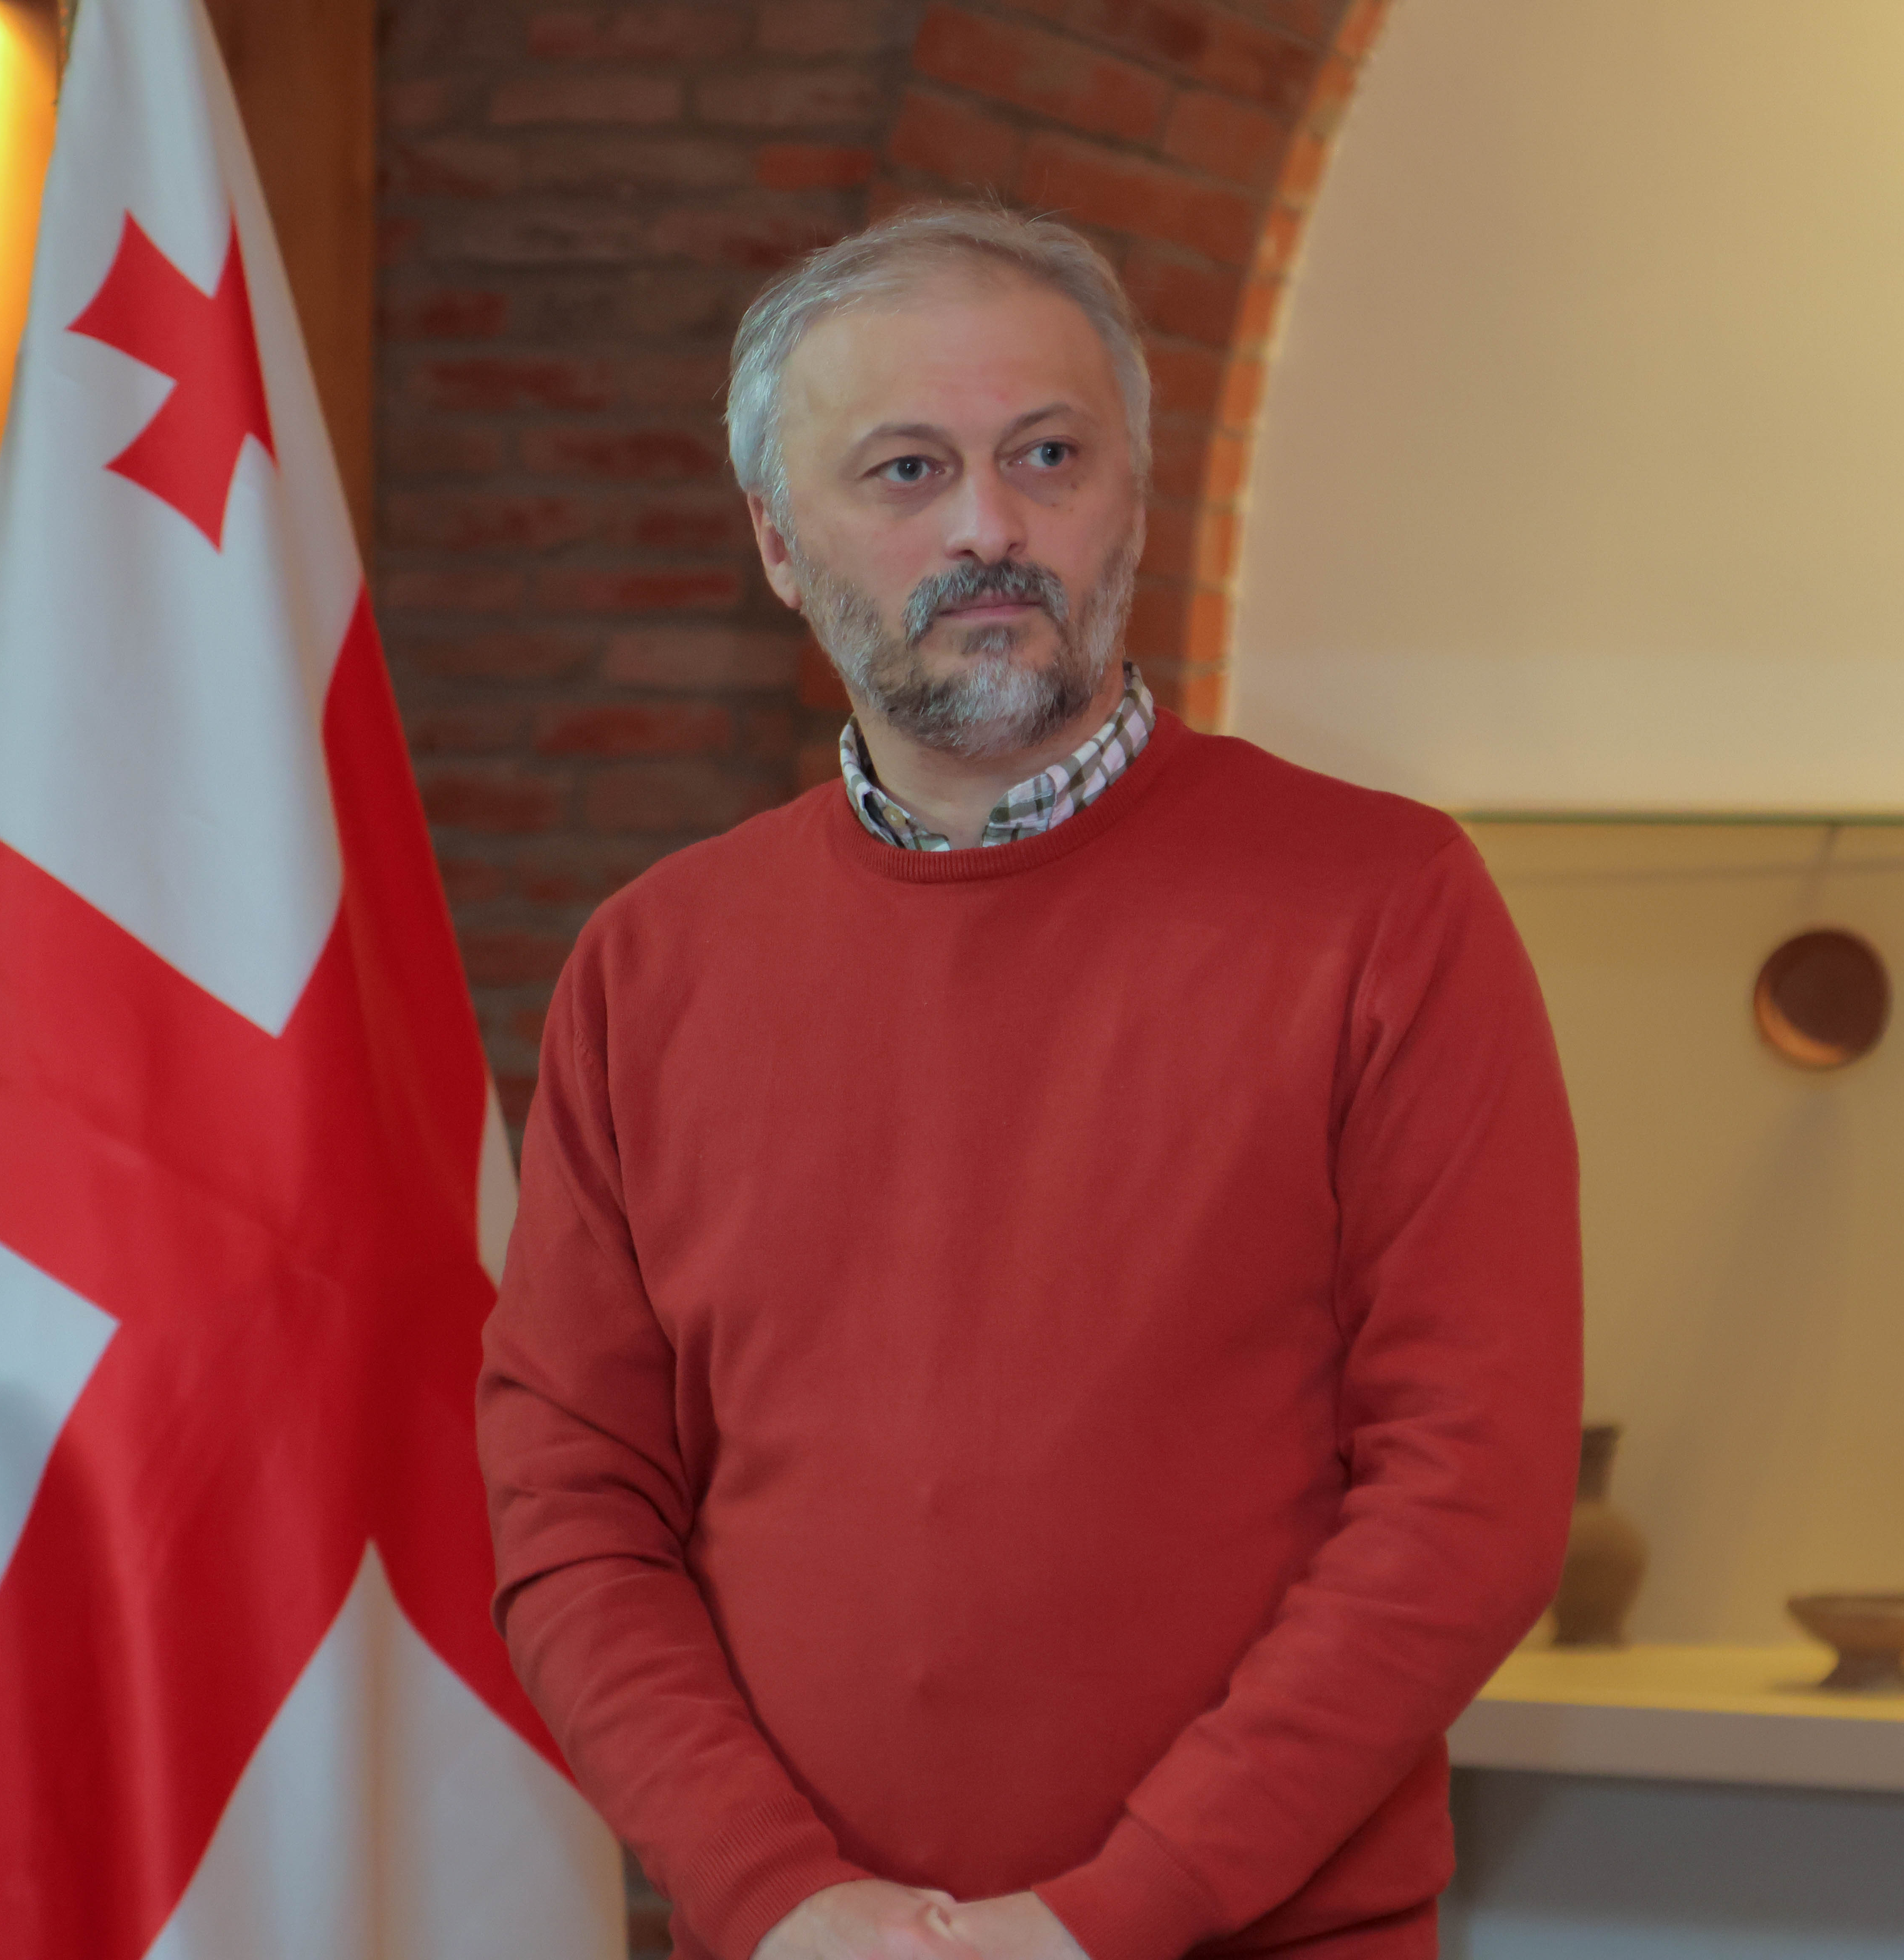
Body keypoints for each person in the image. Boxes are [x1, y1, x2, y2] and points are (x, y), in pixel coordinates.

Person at [475, 202, 1583, 1960]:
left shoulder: (1389, 910)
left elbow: (1473, 1498)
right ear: (777, 540)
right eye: (907, 470)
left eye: (1047, 456)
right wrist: (779, 1897)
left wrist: (1107, 1916)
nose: (988, 525)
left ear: (1132, 495)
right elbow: (573, 1509)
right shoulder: (652, 965)